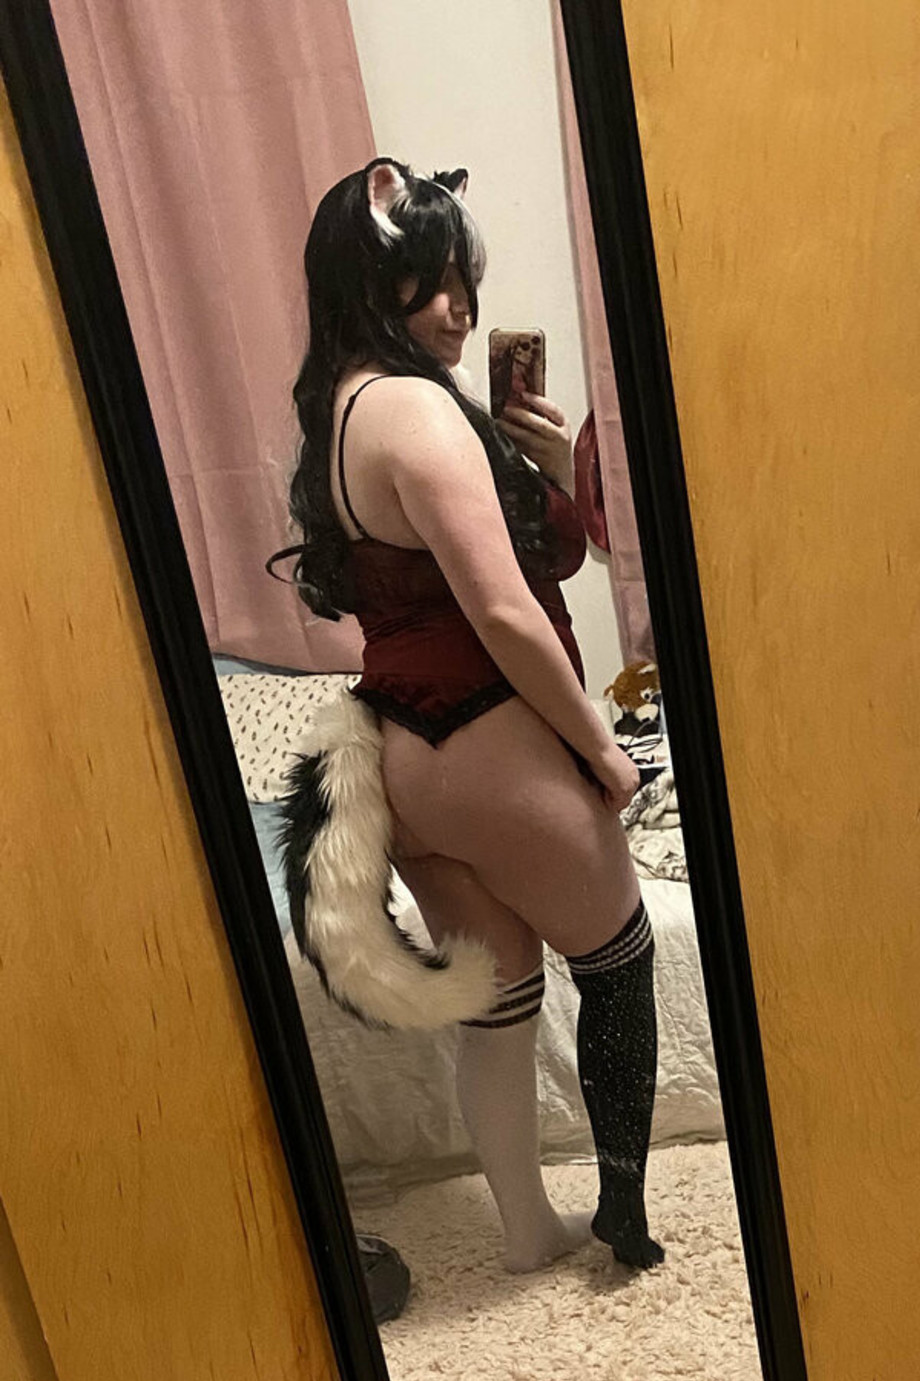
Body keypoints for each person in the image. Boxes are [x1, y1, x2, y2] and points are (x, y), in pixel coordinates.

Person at [270, 158, 663, 1272]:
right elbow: (502, 611)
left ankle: (528, 1230)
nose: (460, 309)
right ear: (370, 279)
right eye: (433, 282)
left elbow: (523, 566)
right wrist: (601, 747)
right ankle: (625, 1218)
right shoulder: (415, 411)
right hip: (488, 739)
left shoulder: (342, 413)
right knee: (619, 961)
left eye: (465, 283)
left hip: (403, 754)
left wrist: (542, 465)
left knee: (501, 998)